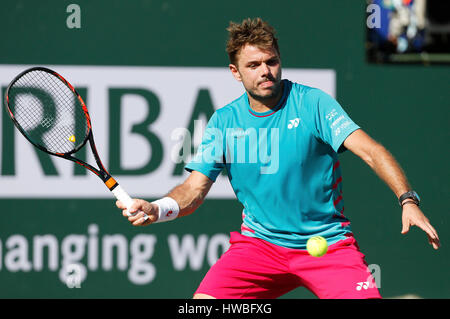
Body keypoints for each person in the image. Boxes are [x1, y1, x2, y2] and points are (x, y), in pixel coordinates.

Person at [116, 17, 440, 299]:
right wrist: (158, 209)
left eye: (271, 62)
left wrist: (407, 199)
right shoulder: (224, 122)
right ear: (235, 72)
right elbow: (194, 190)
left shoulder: (313, 103)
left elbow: (372, 152)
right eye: (253, 66)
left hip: (326, 243)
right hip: (259, 247)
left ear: (280, 60)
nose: (265, 72)